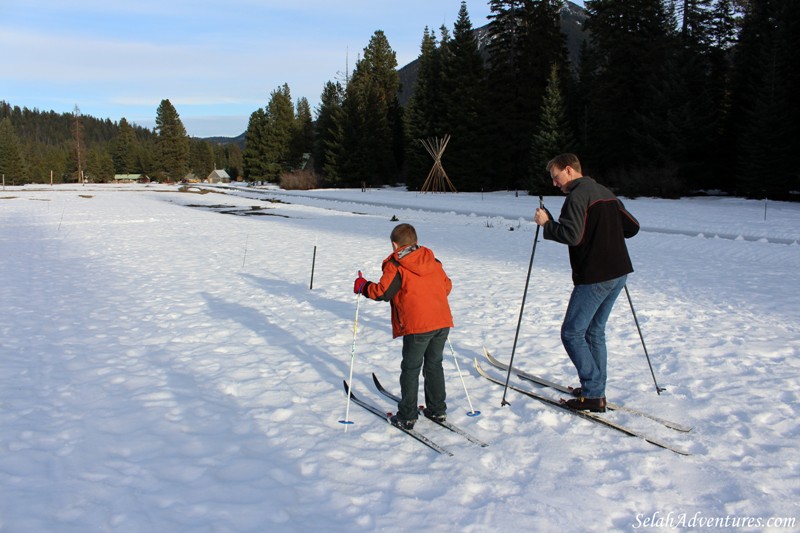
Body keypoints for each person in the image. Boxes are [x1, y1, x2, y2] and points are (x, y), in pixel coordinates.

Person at [533, 153, 640, 412]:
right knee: (594, 331)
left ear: (569, 170)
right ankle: (595, 390)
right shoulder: (604, 191)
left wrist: (547, 224)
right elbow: (632, 227)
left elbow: (572, 235)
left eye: (556, 177)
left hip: (596, 275)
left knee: (571, 333)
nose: (555, 184)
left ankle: (593, 393)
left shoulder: (577, 196)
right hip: (619, 272)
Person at [353, 223, 454, 430]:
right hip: (442, 322)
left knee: (411, 368)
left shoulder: (397, 264)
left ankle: (407, 415)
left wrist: (363, 286)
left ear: (394, 244)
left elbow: (382, 292)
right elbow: (447, 286)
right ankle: (437, 409)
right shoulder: (432, 260)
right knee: (434, 365)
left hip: (418, 325)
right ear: (415, 241)